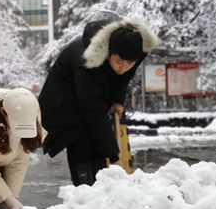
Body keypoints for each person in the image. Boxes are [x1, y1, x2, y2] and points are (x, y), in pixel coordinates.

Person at [39, 18, 159, 186]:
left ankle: (99, 187)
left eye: (130, 63)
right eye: (118, 62)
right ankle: (83, 192)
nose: (123, 67)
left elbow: (123, 77)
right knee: (81, 139)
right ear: (109, 52)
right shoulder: (87, 62)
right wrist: (116, 157)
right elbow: (93, 113)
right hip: (63, 104)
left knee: (97, 144)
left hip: (91, 97)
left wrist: (117, 100)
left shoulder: (135, 50)